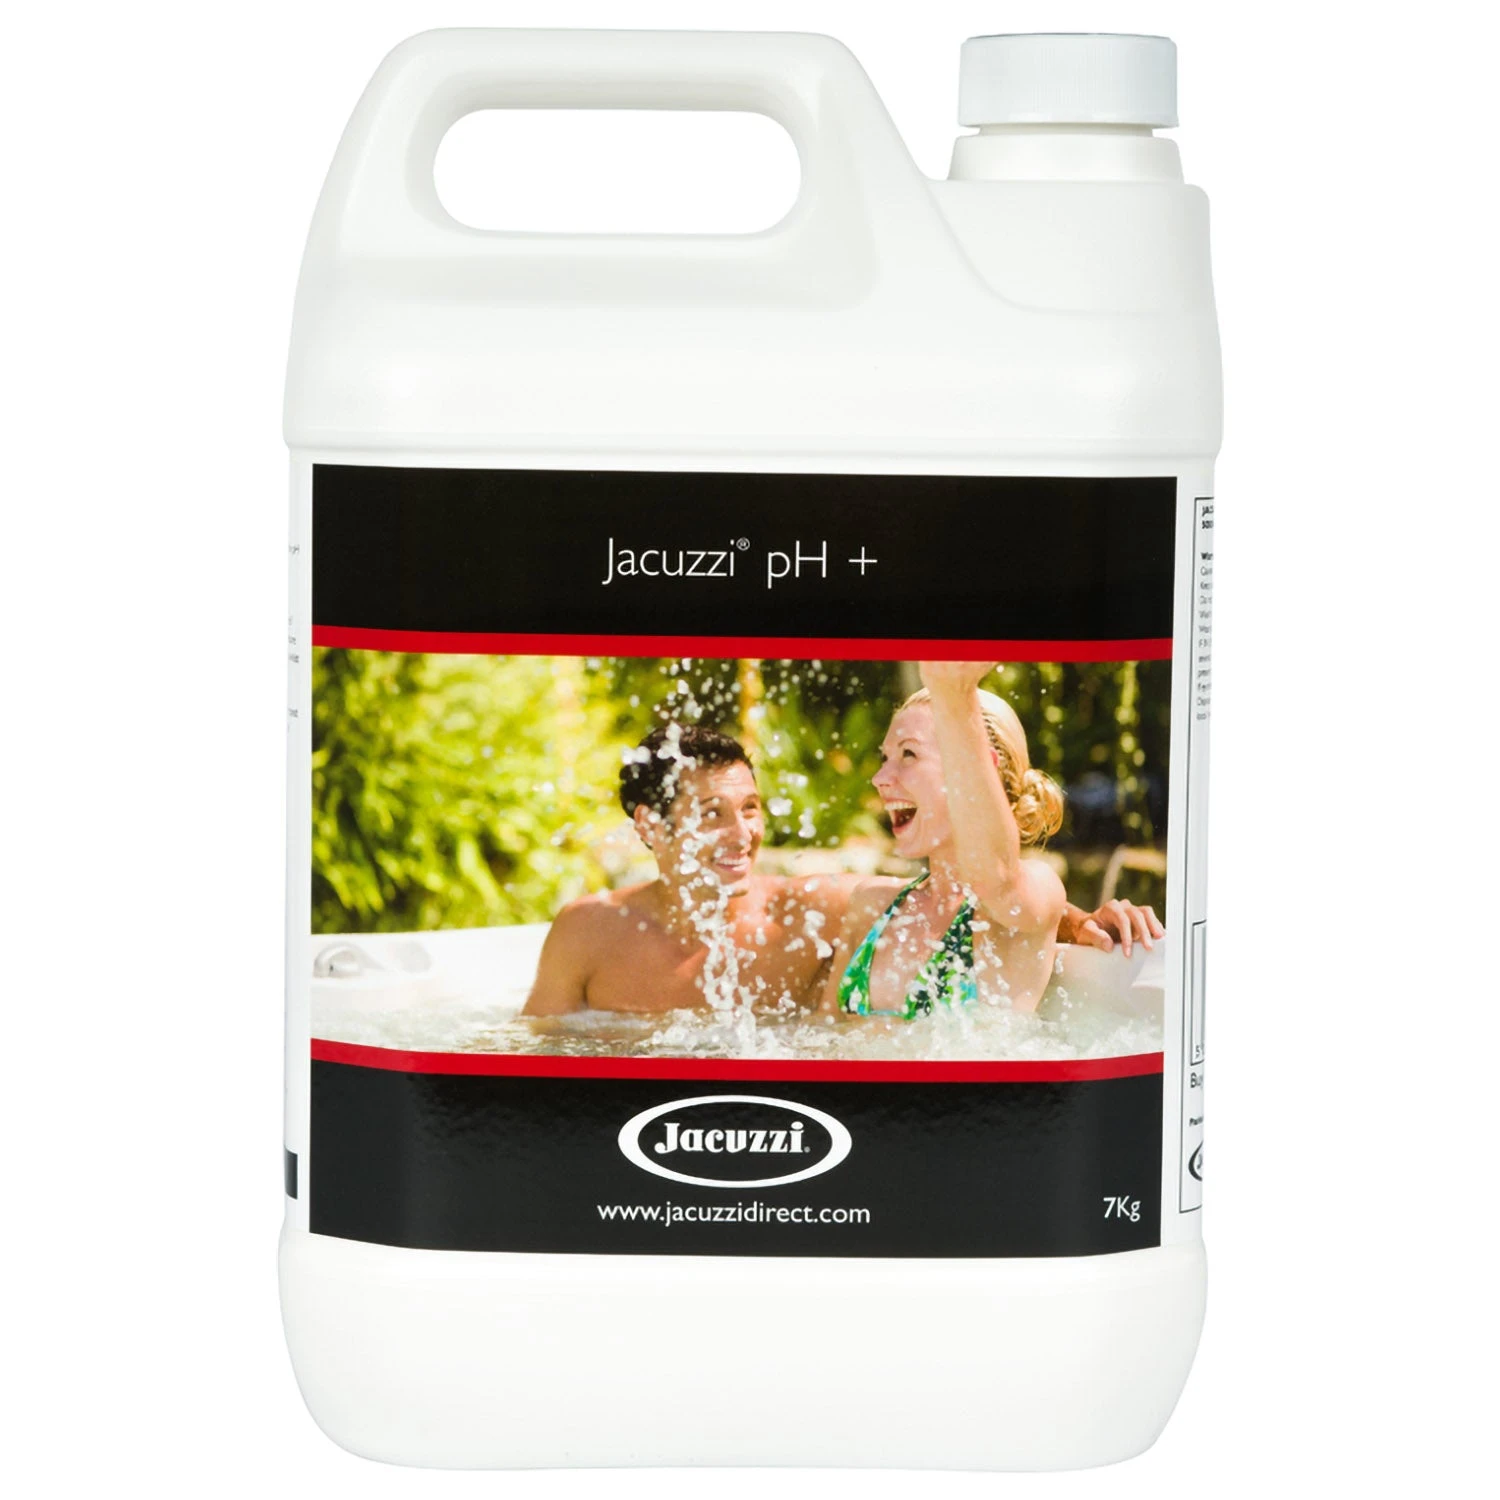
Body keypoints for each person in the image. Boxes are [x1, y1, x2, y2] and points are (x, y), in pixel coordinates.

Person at [820, 661, 1159, 1020]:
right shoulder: (871, 904)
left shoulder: (1029, 895)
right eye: (885, 757)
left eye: (909, 754)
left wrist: (955, 694)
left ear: (977, 768)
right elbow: (824, 1033)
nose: (880, 777)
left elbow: (995, 878)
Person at [522, 725, 856, 1016]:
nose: (743, 835)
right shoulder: (587, 932)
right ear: (650, 824)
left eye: (749, 808)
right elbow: (538, 1051)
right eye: (712, 813)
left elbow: (891, 899)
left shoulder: (810, 915)